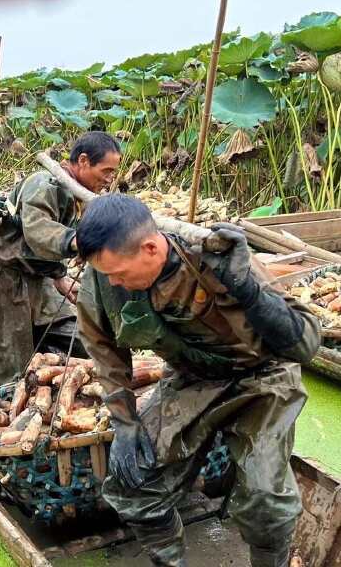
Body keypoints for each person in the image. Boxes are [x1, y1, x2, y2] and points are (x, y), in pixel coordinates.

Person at [75, 194, 320, 567]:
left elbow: (303, 344)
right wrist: (124, 423)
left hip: (263, 378)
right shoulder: (104, 277)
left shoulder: (218, 257)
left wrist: (248, 291)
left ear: (150, 247)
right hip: (193, 379)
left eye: (119, 273)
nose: (112, 281)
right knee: (133, 483)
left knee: (265, 498)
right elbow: (103, 348)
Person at [0, 131, 121, 384]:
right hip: (3, 282)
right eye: (106, 171)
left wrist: (59, 276)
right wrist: (80, 242)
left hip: (39, 282)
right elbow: (39, 232)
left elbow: (43, 247)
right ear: (83, 161)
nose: (109, 178)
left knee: (85, 339)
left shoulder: (76, 194)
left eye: (112, 172)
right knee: (13, 373)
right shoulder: (44, 184)